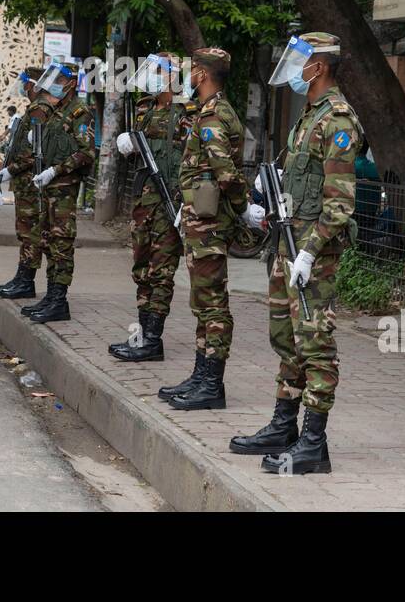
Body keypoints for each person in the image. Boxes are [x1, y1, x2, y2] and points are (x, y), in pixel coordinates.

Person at [230, 32, 362, 474]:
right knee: (287, 340)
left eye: (301, 61)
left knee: (317, 345)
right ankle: (284, 425)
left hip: (313, 253)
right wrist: (263, 199)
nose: (294, 69)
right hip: (288, 246)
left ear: (319, 66)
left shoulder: (338, 120)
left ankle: (314, 443)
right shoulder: (308, 117)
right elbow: (293, 178)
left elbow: (339, 204)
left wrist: (308, 253)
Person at [159, 47, 246, 411]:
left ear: (202, 74)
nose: (189, 75)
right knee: (202, 302)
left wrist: (245, 209)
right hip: (201, 221)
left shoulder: (212, 117)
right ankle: (200, 376)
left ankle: (212, 384)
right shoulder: (211, 112)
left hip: (210, 225)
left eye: (193, 69)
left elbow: (225, 173)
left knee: (212, 305)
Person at [110, 53, 193, 362]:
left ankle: (153, 340)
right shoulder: (144, 108)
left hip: (170, 203)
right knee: (142, 269)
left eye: (159, 71)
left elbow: (193, 161)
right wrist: (128, 144)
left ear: (172, 75)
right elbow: (138, 152)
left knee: (161, 273)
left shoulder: (187, 112)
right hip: (144, 203)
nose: (153, 77)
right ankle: (141, 335)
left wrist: (187, 204)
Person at [15, 62, 95, 324]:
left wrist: (56, 170)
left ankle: (59, 300)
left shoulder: (79, 112)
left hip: (63, 189)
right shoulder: (56, 111)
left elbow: (86, 152)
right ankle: (51, 296)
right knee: (48, 240)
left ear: (70, 84)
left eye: (58, 80)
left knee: (61, 243)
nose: (53, 85)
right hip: (49, 188)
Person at [0, 68, 48, 300]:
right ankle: (22, 277)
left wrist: (9, 170)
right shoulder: (32, 110)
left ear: (33, 85)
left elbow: (34, 153)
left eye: (26, 84)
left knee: (31, 232)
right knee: (24, 232)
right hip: (24, 183)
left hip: (31, 182)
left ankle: (26, 280)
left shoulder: (40, 110)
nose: (23, 89)